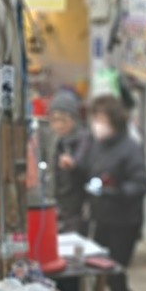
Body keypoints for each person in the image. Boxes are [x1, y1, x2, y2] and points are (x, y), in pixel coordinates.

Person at [81, 95, 146, 291]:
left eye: (102, 120)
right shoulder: (96, 145)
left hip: (125, 219)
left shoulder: (131, 148)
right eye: (95, 119)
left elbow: (141, 184)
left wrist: (115, 190)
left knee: (116, 266)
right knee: (100, 264)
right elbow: (88, 168)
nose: (97, 125)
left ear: (115, 121)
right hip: (101, 216)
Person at [48, 90, 90, 235]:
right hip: (59, 204)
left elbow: (81, 162)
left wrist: (72, 164)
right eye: (54, 120)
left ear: (73, 119)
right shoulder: (57, 141)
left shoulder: (84, 139)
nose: (58, 125)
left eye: (63, 120)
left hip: (78, 206)